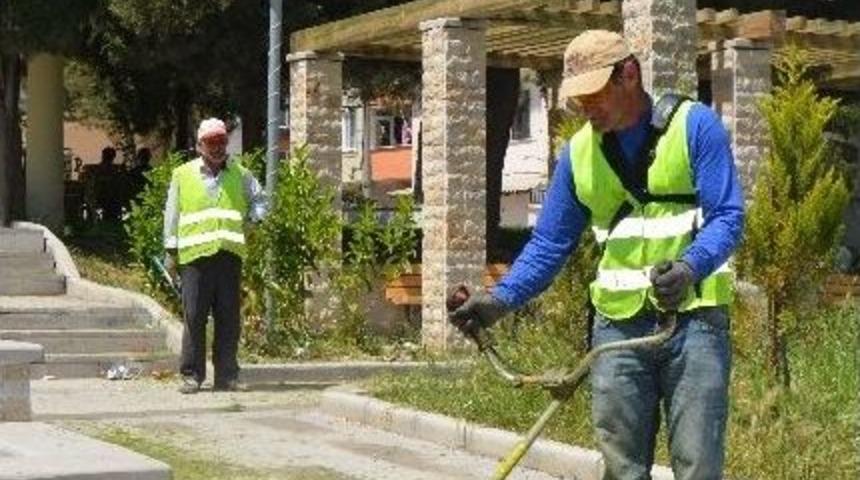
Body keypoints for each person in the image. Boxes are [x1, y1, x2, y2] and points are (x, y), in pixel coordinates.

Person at [451, 30, 744, 480]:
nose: (585, 107)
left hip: (695, 323)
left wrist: (690, 267)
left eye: (594, 94)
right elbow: (549, 245)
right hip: (617, 329)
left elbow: (727, 215)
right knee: (621, 469)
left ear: (629, 74)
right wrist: (498, 300)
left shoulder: (694, 126)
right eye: (578, 97)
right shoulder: (579, 154)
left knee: (697, 465)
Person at [163, 118, 267, 394]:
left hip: (228, 255)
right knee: (194, 316)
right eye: (211, 142)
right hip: (194, 258)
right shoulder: (182, 175)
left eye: (221, 141)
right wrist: (171, 252)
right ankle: (192, 375)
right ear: (200, 146)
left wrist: (254, 220)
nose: (218, 147)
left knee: (228, 317)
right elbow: (171, 215)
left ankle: (227, 376)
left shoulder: (240, 174)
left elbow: (260, 200)